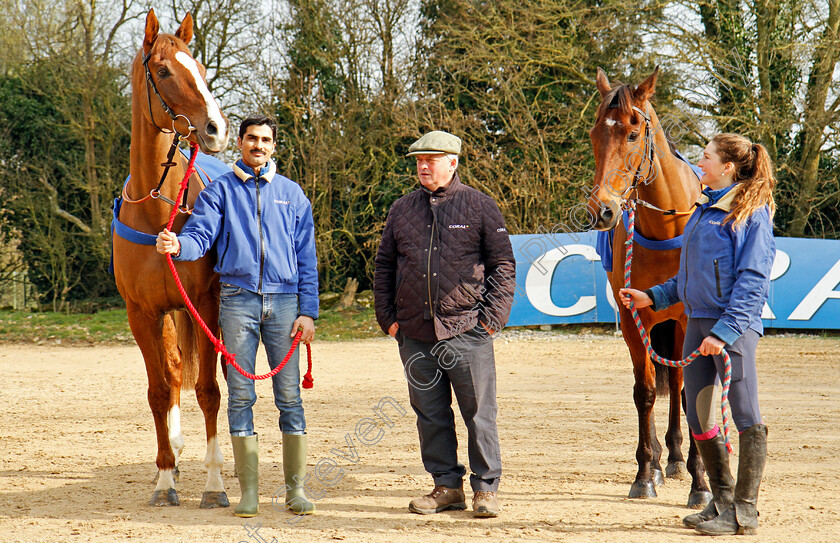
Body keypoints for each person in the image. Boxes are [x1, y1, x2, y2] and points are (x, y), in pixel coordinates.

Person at [155, 115, 318, 518]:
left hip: (284, 304)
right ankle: (250, 493)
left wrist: (308, 312)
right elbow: (201, 235)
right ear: (240, 144)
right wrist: (178, 244)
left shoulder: (293, 195)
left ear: (274, 146)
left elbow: (307, 261)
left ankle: (295, 491)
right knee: (241, 395)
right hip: (237, 301)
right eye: (250, 139)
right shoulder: (220, 191)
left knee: (290, 397)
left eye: (265, 139)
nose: (257, 145)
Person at [619, 133, 775, 536]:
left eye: (704, 157)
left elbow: (754, 280)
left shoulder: (750, 213)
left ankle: (744, 512)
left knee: (744, 414)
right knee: (700, 414)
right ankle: (720, 501)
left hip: (732, 329)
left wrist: (723, 333)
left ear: (727, 167)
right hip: (698, 321)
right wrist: (650, 296)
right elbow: (688, 275)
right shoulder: (704, 209)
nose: (697, 163)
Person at [373, 130, 516, 518]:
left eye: (431, 160)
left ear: (453, 163)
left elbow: (503, 264)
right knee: (430, 414)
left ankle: (485, 490)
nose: (423, 166)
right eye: (419, 161)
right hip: (414, 334)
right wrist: (387, 318)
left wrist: (492, 319)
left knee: (479, 414)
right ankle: (446, 487)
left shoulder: (480, 206)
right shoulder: (401, 209)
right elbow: (385, 265)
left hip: (468, 329)